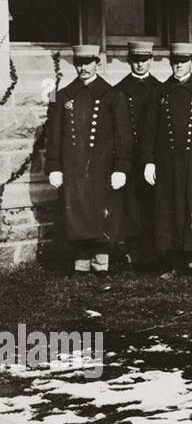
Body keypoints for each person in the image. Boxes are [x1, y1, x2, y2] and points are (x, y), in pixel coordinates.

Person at [45, 45, 130, 274]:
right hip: (74, 167)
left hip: (101, 167)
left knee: (100, 213)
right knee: (77, 213)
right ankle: (81, 261)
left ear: (97, 63)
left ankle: (101, 261)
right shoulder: (64, 95)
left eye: (88, 62)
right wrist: (54, 166)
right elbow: (54, 134)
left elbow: (123, 136)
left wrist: (121, 167)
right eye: (79, 63)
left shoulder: (112, 95)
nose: (83, 67)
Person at [145, 42, 192, 276]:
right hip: (168, 164)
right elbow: (150, 129)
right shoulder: (160, 91)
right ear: (170, 62)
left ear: (191, 61)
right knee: (170, 210)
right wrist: (149, 160)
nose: (179, 65)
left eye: (184, 61)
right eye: (175, 61)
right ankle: (175, 262)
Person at [115, 39, 164, 269]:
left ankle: (154, 251)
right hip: (130, 156)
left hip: (153, 157)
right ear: (129, 61)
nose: (140, 65)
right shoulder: (120, 90)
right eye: (135, 60)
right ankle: (132, 252)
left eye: (144, 60)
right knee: (131, 205)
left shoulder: (160, 88)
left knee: (153, 202)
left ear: (151, 60)